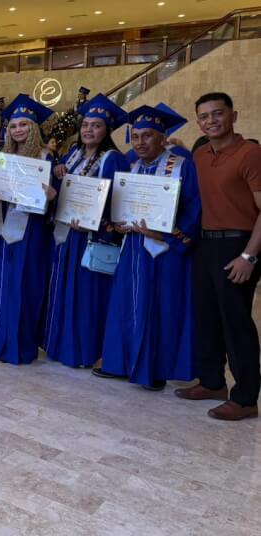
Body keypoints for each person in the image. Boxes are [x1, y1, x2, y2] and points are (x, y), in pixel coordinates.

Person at [97, 105, 201, 390]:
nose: (140, 142)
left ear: (163, 137)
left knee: (160, 308)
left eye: (148, 136)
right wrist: (116, 224)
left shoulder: (181, 165)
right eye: (136, 136)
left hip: (163, 250)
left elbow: (193, 210)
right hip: (131, 247)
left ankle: (155, 370)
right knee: (125, 304)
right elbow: (115, 206)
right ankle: (121, 363)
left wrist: (168, 234)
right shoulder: (129, 166)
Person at [176, 92, 261, 421]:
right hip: (206, 243)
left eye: (217, 114)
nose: (211, 121)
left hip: (238, 244)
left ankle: (245, 397)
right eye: (204, 116)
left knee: (235, 322)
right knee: (206, 318)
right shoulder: (199, 155)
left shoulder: (251, 153)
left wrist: (249, 257)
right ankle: (212, 382)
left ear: (233, 116)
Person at [43, 94, 129, 368]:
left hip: (91, 237)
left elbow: (118, 199)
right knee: (64, 290)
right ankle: (62, 347)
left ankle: (84, 350)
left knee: (86, 295)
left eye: (96, 125)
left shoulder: (112, 159)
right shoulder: (73, 154)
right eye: (86, 125)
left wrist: (96, 220)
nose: (89, 130)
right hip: (67, 233)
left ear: (107, 130)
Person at [0, 94, 56, 365]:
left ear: (34, 128)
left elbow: (54, 201)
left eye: (24, 125)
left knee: (25, 287)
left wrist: (52, 197)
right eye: (13, 126)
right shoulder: (1, 157)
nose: (18, 131)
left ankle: (20, 347)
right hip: (0, 228)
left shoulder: (45, 157)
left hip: (30, 232)